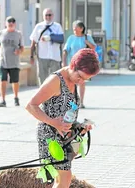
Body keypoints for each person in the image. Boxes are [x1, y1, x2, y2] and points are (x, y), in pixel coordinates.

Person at [25, 48, 100, 188]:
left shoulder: (73, 80)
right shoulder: (56, 80)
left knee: (57, 179)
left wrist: (79, 126)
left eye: (85, 79)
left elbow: (66, 112)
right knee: (62, 177)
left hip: (64, 136)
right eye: (80, 77)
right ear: (73, 66)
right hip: (49, 135)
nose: (81, 81)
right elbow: (30, 105)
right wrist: (53, 122)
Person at [63, 20, 96, 108]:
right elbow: (66, 50)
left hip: (83, 64)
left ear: (81, 28)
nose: (74, 31)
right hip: (72, 63)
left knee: (81, 82)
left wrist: (87, 43)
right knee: (71, 82)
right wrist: (63, 61)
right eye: (73, 29)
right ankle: (72, 102)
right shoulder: (71, 38)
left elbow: (94, 48)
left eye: (76, 29)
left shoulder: (87, 37)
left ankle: (81, 102)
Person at [0, 16, 24, 107]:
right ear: (5, 23)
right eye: (9, 22)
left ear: (15, 24)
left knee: (15, 81)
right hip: (3, 61)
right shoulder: (1, 33)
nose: (11, 23)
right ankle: (2, 100)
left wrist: (19, 51)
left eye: (13, 22)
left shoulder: (18, 34)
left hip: (14, 62)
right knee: (2, 80)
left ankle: (16, 97)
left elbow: (22, 47)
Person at [30, 8, 64, 86]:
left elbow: (61, 39)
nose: (48, 17)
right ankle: (44, 96)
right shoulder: (38, 26)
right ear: (43, 16)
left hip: (54, 56)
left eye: (50, 15)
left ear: (53, 16)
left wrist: (50, 38)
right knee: (42, 78)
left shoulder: (57, 26)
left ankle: (54, 95)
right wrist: (31, 56)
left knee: (55, 78)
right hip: (42, 56)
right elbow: (33, 42)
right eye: (46, 15)